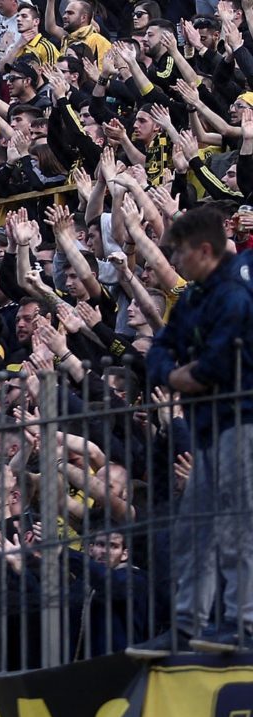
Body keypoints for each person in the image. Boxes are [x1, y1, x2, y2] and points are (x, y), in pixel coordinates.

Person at [135, 207, 253, 654]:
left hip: (240, 424)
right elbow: (159, 348)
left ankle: (243, 623)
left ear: (204, 250)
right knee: (193, 531)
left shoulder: (237, 295)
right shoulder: (193, 297)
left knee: (237, 527)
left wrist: (184, 374)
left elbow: (219, 366)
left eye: (181, 252)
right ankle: (187, 627)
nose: (175, 260)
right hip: (207, 429)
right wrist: (175, 374)